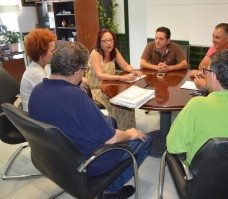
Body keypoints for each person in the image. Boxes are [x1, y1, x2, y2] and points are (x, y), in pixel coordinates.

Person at [28, 41, 153, 199]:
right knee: (145, 140)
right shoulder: (76, 98)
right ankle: (111, 190)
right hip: (87, 163)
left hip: (54, 160)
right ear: (76, 72)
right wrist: (129, 133)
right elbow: (112, 138)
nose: (84, 74)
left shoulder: (37, 91)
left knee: (111, 121)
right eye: (84, 70)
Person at [86, 29, 141, 131]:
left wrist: (133, 71)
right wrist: (121, 77)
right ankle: (117, 132)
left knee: (127, 103)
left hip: (110, 87)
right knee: (115, 105)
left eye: (111, 40)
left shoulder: (114, 51)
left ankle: (130, 130)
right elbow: (100, 75)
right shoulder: (96, 53)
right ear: (99, 42)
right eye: (105, 41)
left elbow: (124, 66)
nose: (109, 43)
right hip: (97, 89)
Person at [20, 28, 56, 111]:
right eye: (52, 51)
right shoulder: (36, 73)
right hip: (34, 120)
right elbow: (52, 98)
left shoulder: (41, 68)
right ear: (41, 53)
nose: (54, 54)